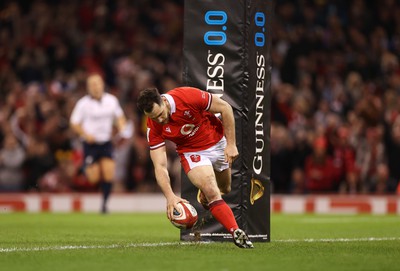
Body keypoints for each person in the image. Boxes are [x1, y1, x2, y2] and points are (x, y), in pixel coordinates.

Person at [137, 86, 253, 248]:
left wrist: (231, 144)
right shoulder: (153, 125)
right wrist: (170, 196)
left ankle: (204, 192)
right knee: (212, 192)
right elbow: (160, 165)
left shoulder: (187, 96)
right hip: (191, 152)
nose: (160, 120)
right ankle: (236, 232)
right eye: (154, 118)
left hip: (218, 142)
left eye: (160, 114)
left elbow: (225, 108)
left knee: (225, 188)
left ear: (163, 101)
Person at [70, 73, 130, 213]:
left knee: (109, 173)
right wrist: (85, 134)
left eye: (97, 84)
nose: (95, 87)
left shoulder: (111, 100)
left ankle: (104, 205)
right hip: (90, 144)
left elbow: (119, 117)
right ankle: (85, 167)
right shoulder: (83, 103)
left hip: (106, 142)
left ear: (102, 85)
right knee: (93, 178)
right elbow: (74, 123)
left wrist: (121, 126)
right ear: (88, 87)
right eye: (92, 84)